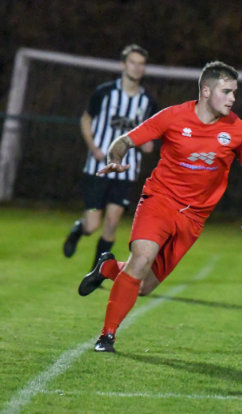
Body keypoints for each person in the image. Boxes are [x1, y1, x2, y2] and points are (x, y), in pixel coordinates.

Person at [77, 60, 242, 353]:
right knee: (141, 259)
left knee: (144, 286)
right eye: (226, 92)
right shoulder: (173, 117)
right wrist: (114, 158)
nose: (232, 98)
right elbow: (124, 141)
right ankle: (107, 336)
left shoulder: (237, 129)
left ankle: (108, 267)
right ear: (206, 91)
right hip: (160, 201)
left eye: (234, 92)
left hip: (194, 217)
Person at [63, 44, 157, 267]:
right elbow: (86, 119)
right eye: (132, 62)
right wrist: (93, 147)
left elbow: (150, 132)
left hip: (126, 171)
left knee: (112, 223)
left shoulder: (148, 102)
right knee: (92, 224)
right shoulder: (104, 93)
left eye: (141, 64)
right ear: (123, 65)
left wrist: (148, 144)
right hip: (98, 168)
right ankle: (79, 229)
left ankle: (96, 273)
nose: (136, 67)